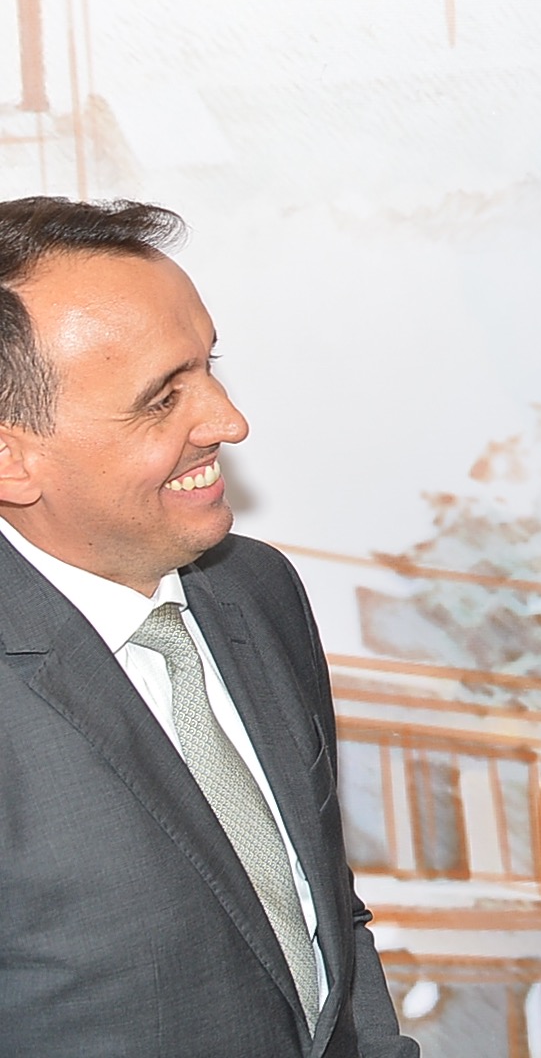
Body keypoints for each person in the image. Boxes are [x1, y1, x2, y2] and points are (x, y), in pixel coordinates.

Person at [0, 197, 416, 1058]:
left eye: (208, 367)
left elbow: (325, 914)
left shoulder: (256, 589)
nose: (229, 421)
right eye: (162, 399)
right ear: (11, 458)